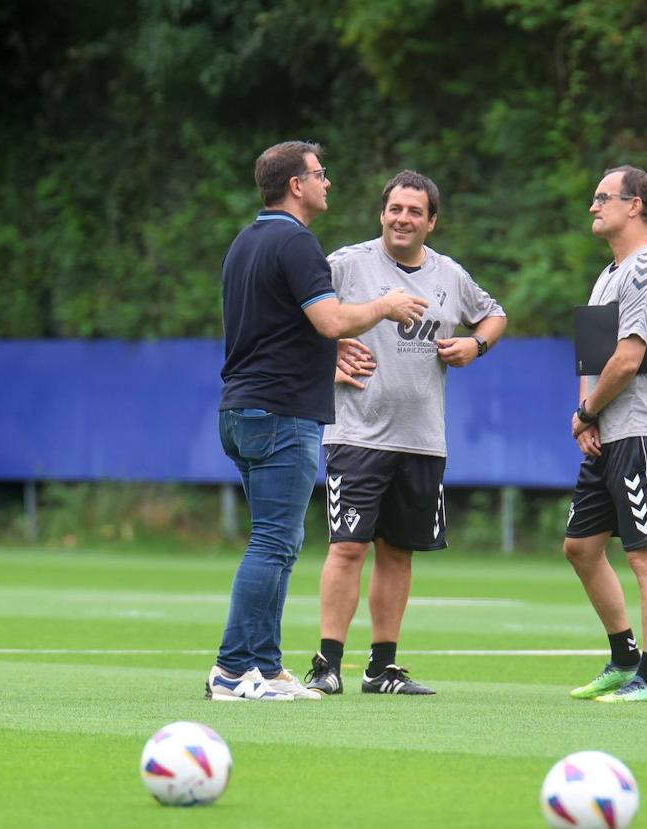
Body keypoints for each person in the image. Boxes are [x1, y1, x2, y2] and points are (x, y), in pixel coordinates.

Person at [210, 142, 429, 702]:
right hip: (280, 414)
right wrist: (385, 305)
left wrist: (325, 359)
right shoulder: (297, 241)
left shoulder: (246, 242)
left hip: (244, 408)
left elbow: (274, 329)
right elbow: (329, 318)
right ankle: (238, 670)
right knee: (273, 545)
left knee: (274, 543)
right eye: (319, 174)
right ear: (295, 185)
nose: (326, 183)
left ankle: (258, 665)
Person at [303, 170, 507, 696]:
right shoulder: (348, 265)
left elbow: (494, 315)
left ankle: (382, 668)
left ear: (431, 221)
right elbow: (291, 319)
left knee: (398, 552)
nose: (403, 218)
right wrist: (325, 362)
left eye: (415, 211)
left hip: (421, 440)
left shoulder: (449, 275)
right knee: (348, 548)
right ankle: (327, 665)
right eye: (395, 208)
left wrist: (475, 346)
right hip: (357, 435)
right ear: (382, 214)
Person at [565, 164, 647, 703]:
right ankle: (623, 657)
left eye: (602, 197)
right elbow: (594, 358)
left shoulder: (645, 272)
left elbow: (627, 360)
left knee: (644, 555)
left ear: (635, 205)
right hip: (607, 430)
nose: (593, 206)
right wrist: (586, 413)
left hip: (642, 431)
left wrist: (589, 412)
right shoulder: (609, 273)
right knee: (580, 547)